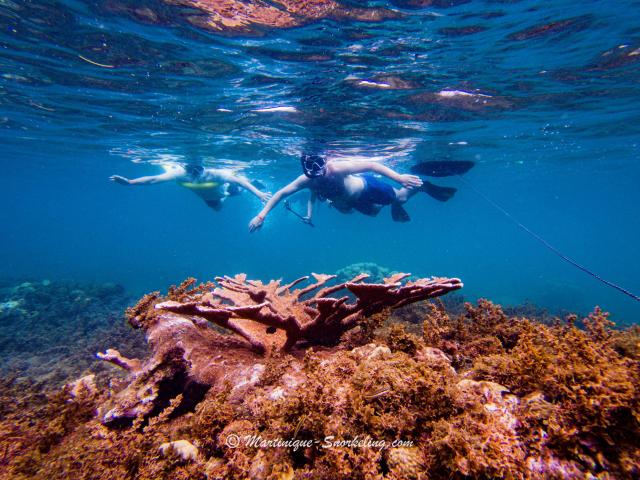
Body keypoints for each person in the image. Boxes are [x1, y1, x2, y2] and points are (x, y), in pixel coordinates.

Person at [248, 153, 452, 232]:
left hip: (367, 187)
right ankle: (395, 201)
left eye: (321, 170)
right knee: (373, 213)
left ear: (326, 161)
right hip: (354, 202)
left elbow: (372, 164)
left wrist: (399, 178)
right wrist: (261, 214)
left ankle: (420, 185)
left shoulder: (337, 167)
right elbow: (282, 194)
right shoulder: (307, 180)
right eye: (313, 174)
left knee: (401, 197)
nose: (318, 176)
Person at [110, 163, 271, 211]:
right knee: (217, 209)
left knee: (237, 190)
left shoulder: (216, 173)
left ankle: (255, 181)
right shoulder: (179, 173)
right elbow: (153, 179)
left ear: (203, 168)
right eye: (191, 171)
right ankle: (223, 197)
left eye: (197, 171)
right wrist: (130, 182)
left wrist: (258, 194)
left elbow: (240, 182)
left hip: (223, 189)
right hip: (208, 198)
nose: (194, 175)